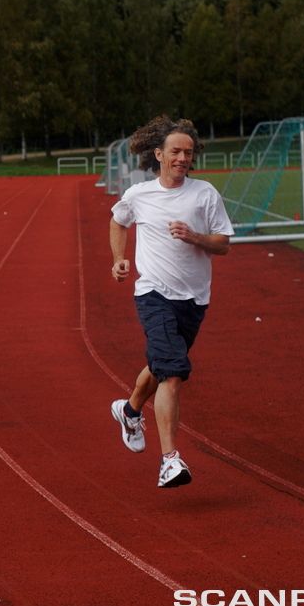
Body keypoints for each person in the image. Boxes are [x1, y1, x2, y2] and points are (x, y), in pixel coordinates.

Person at [108, 116, 234, 488]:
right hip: (153, 293)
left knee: (162, 364)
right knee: (174, 372)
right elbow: (118, 222)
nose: (182, 157)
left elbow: (223, 244)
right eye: (176, 151)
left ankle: (129, 411)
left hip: (194, 299)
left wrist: (195, 236)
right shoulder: (139, 194)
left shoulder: (205, 193)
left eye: (188, 153)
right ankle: (170, 460)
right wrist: (118, 259)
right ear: (159, 154)